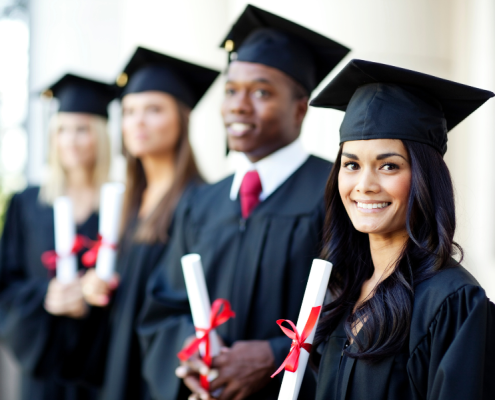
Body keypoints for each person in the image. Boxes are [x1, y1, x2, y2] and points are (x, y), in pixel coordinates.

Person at [138, 5, 350, 400]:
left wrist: (276, 353)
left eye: (261, 92)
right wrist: (194, 354)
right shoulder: (201, 204)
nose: (238, 105)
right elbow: (165, 307)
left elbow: (358, 307)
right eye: (232, 90)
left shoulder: (336, 193)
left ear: (299, 109)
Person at [308, 59, 495, 400]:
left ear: (425, 178)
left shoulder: (452, 302)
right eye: (351, 164)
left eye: (389, 166)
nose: (364, 185)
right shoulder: (341, 288)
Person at [79, 46, 219, 400]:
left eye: (153, 110)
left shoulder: (201, 203)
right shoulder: (122, 204)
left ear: (182, 118)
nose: (137, 122)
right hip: (114, 367)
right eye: (128, 112)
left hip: (156, 377)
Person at [0, 73, 114, 400]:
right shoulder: (26, 203)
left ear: (101, 136)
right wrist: (46, 296)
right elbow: (6, 284)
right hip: (44, 365)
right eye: (62, 130)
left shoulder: (119, 206)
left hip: (100, 364)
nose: (71, 140)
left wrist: (99, 293)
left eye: (82, 129)